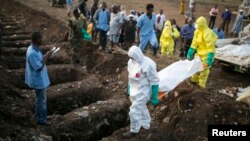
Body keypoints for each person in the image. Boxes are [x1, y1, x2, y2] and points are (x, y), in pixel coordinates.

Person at [123, 46, 159, 139]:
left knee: (134, 111)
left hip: (143, 92)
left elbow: (154, 81)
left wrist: (154, 96)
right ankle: (146, 124)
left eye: (132, 57)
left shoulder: (148, 64)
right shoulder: (131, 62)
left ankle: (134, 130)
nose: (131, 59)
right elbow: (130, 76)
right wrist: (129, 87)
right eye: (130, 57)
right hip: (134, 91)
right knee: (141, 108)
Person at [25, 32, 52, 126]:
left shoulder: (35, 49)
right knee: (41, 100)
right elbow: (39, 67)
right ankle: (41, 119)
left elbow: (39, 60)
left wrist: (46, 55)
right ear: (36, 40)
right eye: (41, 38)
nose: (42, 40)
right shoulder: (32, 53)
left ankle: (42, 116)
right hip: (38, 80)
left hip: (40, 78)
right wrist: (47, 57)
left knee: (41, 99)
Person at [187, 16, 218, 88]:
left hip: (207, 54)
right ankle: (194, 80)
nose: (196, 26)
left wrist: (209, 58)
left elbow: (210, 46)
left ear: (202, 24)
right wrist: (190, 51)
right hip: (199, 52)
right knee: (195, 66)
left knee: (204, 69)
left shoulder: (208, 33)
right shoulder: (197, 31)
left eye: (198, 24)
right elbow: (194, 42)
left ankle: (201, 84)